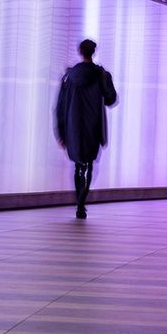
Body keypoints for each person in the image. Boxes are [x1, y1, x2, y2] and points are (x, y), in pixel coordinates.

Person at [55, 39, 117, 219]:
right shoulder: (101, 74)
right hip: (93, 125)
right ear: (94, 52)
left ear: (79, 52)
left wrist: (60, 132)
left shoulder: (69, 76)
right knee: (89, 164)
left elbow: (59, 106)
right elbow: (111, 99)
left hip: (73, 126)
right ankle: (81, 204)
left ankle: (79, 204)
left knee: (77, 166)